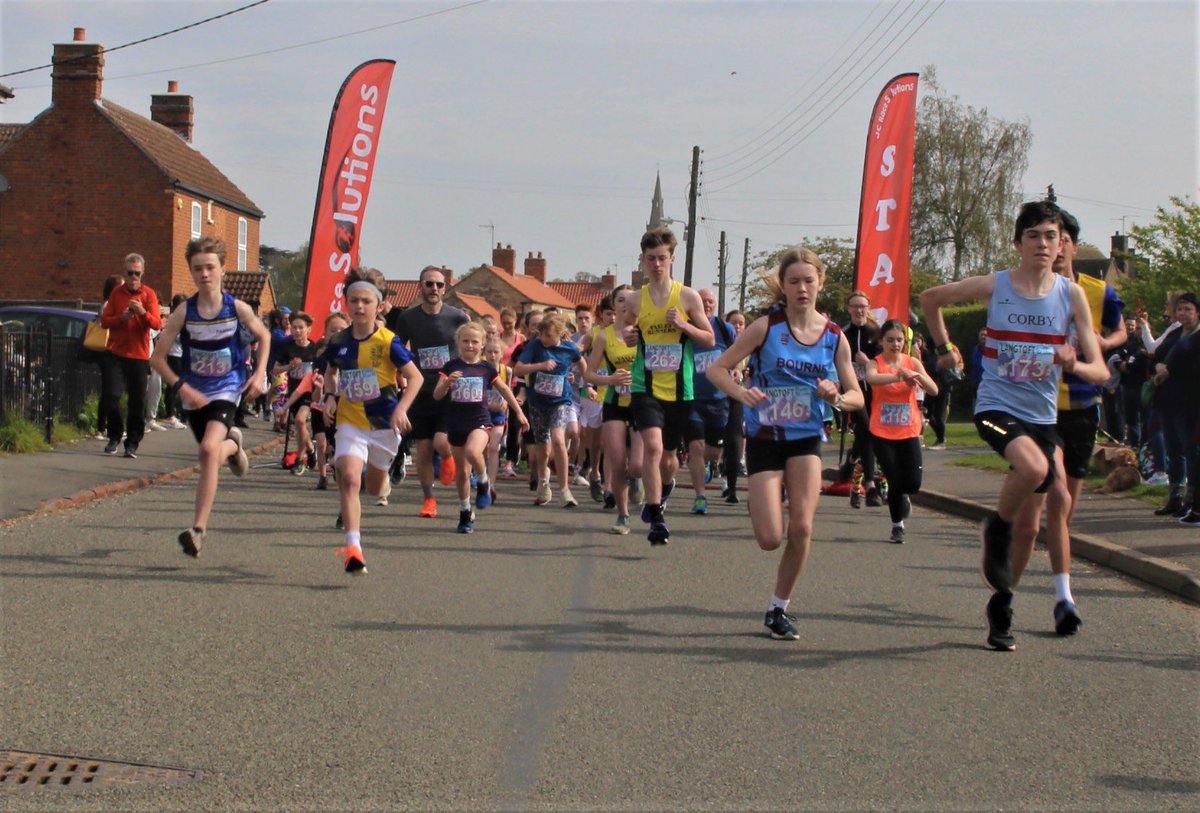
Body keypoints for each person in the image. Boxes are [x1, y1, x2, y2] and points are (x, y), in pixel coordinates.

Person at [918, 200, 1108, 651]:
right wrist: (945, 349)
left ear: (1061, 244)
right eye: (1033, 236)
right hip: (996, 407)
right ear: (1018, 243)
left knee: (1031, 525)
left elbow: (1100, 371)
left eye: (1051, 236)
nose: (1043, 244)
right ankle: (996, 527)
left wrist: (1073, 364)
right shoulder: (996, 285)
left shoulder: (1070, 295)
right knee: (1035, 469)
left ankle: (1001, 603)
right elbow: (930, 299)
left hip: (1042, 417)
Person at [707, 247, 863, 641]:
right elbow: (717, 369)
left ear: (820, 283)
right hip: (765, 437)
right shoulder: (765, 327)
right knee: (769, 539)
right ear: (784, 285)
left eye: (809, 281)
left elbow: (857, 396)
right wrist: (742, 394)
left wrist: (837, 397)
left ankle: (778, 608)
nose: (802, 288)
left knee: (803, 527)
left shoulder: (834, 337)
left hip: (806, 439)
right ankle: (761, 502)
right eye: (794, 281)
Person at [150, 237, 269, 557]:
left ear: (223, 270)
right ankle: (234, 446)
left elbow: (264, 335)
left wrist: (259, 374)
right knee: (210, 455)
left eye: (210, 267)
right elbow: (157, 359)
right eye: (198, 269)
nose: (204, 274)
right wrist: (183, 388)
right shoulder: (184, 312)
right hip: (195, 393)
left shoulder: (237, 308)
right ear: (191, 272)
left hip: (228, 387)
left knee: (206, 450)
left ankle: (198, 530)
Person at [319, 267, 423, 574]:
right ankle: (353, 548)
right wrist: (329, 396)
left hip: (383, 424)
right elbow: (331, 372)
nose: (359, 306)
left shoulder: (389, 341)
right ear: (346, 303)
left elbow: (416, 378)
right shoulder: (338, 341)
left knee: (374, 489)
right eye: (354, 300)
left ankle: (382, 476)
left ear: (379, 306)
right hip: (350, 420)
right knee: (350, 478)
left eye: (366, 301)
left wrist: (401, 409)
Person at [622, 226, 715, 544]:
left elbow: (709, 339)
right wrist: (630, 336)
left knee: (669, 457)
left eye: (662, 258)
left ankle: (666, 487)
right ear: (643, 260)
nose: (657, 264)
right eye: (651, 258)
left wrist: (683, 324)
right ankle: (656, 517)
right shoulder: (636, 299)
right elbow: (627, 331)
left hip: (679, 389)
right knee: (653, 447)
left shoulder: (687, 296)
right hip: (644, 386)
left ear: (672, 258)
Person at [385, 266, 469, 518]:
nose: (434, 289)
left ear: (445, 288)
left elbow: (472, 346)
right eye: (429, 284)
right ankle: (429, 499)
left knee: (441, 442)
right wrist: (398, 375)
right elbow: (398, 349)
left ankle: (447, 457)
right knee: (422, 448)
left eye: (439, 285)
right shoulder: (408, 318)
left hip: (448, 390)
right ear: (420, 286)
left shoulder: (458, 317)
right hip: (420, 391)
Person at [434, 322, 527, 532]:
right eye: (465, 341)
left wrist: (519, 413)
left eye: (474, 341)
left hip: (480, 421)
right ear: (458, 342)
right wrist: (447, 383)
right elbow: (437, 395)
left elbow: (504, 390)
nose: (470, 345)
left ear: (482, 344)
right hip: (456, 423)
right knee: (462, 473)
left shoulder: (486, 368)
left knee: (472, 451)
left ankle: (484, 480)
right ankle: (465, 512)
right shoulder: (450, 366)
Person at [865, 319, 938, 543]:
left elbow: (934, 390)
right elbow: (872, 378)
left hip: (909, 430)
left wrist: (917, 375)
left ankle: (904, 495)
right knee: (894, 479)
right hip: (882, 432)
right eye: (890, 340)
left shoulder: (912, 362)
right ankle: (897, 526)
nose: (895, 344)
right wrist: (898, 376)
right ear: (881, 341)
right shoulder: (875, 363)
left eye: (899, 340)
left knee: (913, 483)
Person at [585, 284, 644, 534]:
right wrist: (610, 379)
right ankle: (623, 515)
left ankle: (637, 478)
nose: (626, 304)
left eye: (631, 300)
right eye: (621, 300)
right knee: (617, 462)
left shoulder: (645, 332)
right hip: (614, 403)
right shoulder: (604, 336)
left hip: (641, 402)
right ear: (614, 305)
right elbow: (589, 373)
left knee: (637, 465)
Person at [513, 314, 585, 507]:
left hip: (560, 401)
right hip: (538, 402)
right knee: (543, 448)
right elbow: (518, 369)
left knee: (559, 440)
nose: (544, 339)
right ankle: (544, 481)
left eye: (549, 336)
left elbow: (582, 363)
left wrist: (587, 383)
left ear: (560, 334)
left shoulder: (569, 348)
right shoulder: (535, 346)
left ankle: (565, 490)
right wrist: (540, 366)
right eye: (542, 335)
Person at [99, 253, 163, 458]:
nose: (133, 277)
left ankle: (132, 442)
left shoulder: (149, 294)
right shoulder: (116, 293)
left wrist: (142, 312)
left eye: (137, 273)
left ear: (142, 273)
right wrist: (122, 317)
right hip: (116, 352)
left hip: (138, 355)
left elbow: (157, 324)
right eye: (130, 273)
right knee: (111, 395)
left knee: (137, 400)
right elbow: (105, 321)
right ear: (124, 273)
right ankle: (114, 435)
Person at [684, 288, 738, 515]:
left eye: (710, 302)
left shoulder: (725, 329)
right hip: (693, 398)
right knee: (696, 446)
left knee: (714, 452)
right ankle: (700, 496)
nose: (706, 305)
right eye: (703, 301)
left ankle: (707, 463)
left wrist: (736, 369)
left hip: (719, 399)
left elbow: (738, 354)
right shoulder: (686, 327)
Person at [1149, 292, 1199, 517]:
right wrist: (1158, 367)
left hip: (1187, 402)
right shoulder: (1174, 333)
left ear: (1197, 312)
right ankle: (1175, 497)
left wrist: (1170, 371)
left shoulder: (1197, 336)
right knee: (1173, 450)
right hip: (1166, 400)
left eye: (1188, 309)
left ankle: (1192, 500)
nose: (1183, 313)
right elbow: (1155, 354)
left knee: (1190, 451)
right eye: (1180, 309)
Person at [841, 291, 882, 505]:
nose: (859, 310)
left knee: (867, 434)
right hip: (853, 392)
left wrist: (868, 363)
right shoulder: (842, 334)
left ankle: (852, 458)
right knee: (867, 429)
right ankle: (871, 484)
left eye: (863, 306)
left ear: (868, 308)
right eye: (855, 306)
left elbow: (886, 362)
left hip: (874, 391)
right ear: (848, 308)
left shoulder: (877, 333)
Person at [273, 311, 320, 476]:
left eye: (301, 327)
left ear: (308, 329)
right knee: (299, 426)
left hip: (309, 394)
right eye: (294, 328)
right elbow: (275, 370)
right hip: (293, 393)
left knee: (300, 420)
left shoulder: (314, 349)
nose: (297, 331)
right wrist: (289, 366)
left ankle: (300, 459)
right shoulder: (288, 348)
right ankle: (311, 449)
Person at [721, 309, 748, 501]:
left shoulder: (750, 343)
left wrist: (742, 371)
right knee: (715, 442)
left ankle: (731, 487)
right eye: (733, 323)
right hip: (716, 395)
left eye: (741, 323)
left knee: (734, 439)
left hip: (738, 395)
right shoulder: (720, 341)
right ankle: (714, 465)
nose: (737, 326)